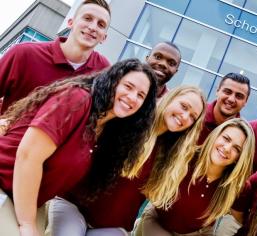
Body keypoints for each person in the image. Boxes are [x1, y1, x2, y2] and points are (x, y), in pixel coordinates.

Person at [0, 58, 157, 236]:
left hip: (28, 200)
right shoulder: (78, 99)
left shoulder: (107, 131)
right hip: (5, 186)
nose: (132, 98)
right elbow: (28, 156)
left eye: (140, 95)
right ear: (113, 81)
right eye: (128, 86)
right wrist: (27, 224)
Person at [47, 85, 206, 235]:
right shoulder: (132, 119)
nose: (185, 116)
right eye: (184, 107)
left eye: (192, 117)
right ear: (170, 99)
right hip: (74, 205)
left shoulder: (172, 155)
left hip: (114, 226)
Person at [135, 118, 255, 235]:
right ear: (216, 136)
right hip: (158, 221)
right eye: (226, 139)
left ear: (239, 158)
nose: (227, 148)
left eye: (237, 149)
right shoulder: (185, 156)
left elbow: (239, 219)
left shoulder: (237, 186)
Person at [0, 0, 111, 114]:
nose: (93, 27)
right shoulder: (23, 53)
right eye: (87, 18)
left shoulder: (104, 72)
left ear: (104, 37)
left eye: (101, 24)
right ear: (70, 23)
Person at [198, 73, 250, 144]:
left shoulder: (244, 135)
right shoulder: (197, 113)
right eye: (227, 92)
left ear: (245, 102)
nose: (231, 99)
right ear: (217, 91)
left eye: (239, 96)